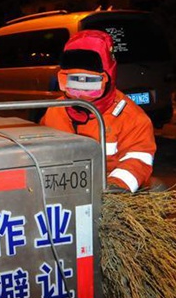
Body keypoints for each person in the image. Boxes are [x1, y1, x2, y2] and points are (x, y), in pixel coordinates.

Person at [40, 30, 156, 193]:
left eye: (90, 82)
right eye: (73, 81)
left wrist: (112, 190)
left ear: (107, 79)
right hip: (61, 190)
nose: (80, 92)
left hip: (110, 193)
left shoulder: (132, 118)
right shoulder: (55, 110)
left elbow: (137, 161)